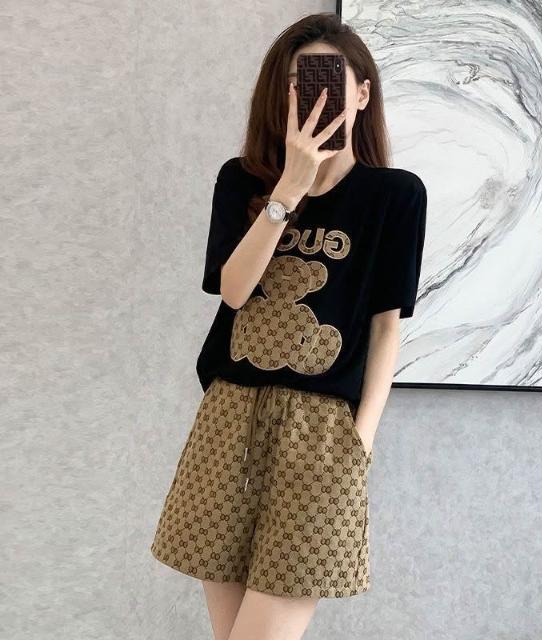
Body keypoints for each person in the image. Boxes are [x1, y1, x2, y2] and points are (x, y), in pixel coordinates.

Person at [150, 12, 427, 640]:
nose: (313, 98)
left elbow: (387, 328)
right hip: (229, 418)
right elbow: (234, 290)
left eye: (330, 81)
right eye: (299, 85)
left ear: (362, 93)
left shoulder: (395, 196)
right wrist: (289, 190)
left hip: (323, 432)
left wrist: (361, 439)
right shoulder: (242, 180)